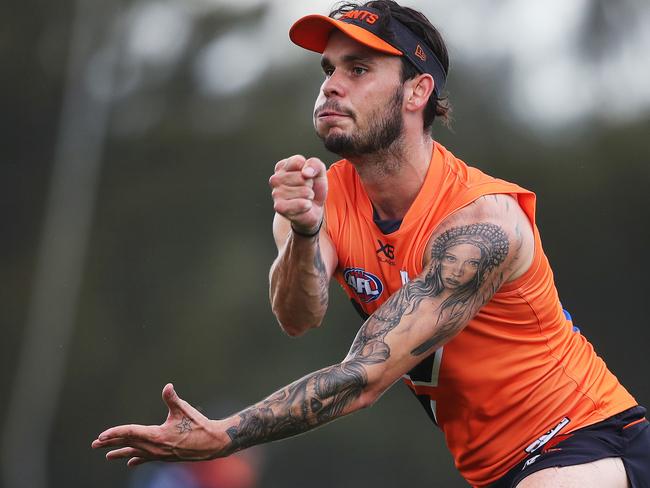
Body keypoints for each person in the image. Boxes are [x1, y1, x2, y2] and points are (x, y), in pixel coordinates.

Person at [92, 2, 649, 487]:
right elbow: (297, 316)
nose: (332, 84)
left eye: (359, 69)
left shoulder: (483, 223)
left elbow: (363, 378)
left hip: (588, 440)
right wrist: (306, 233)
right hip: (505, 470)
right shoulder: (321, 198)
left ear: (418, 91)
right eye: (329, 69)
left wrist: (225, 436)